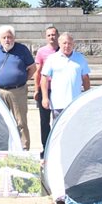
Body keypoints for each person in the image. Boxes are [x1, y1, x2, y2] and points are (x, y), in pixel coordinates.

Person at [0, 25, 36, 150]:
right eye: (4, 37)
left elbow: (32, 68)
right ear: (0, 39)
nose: (7, 40)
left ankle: (24, 148)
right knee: (1, 121)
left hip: (18, 91)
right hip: (0, 91)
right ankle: (2, 147)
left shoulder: (22, 49)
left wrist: (21, 79)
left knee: (21, 122)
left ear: (14, 37)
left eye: (9, 37)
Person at [40, 32, 91, 121]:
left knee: (76, 128)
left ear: (73, 44)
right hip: (58, 103)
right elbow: (44, 78)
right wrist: (45, 97)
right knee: (59, 131)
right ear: (59, 43)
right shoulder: (52, 58)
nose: (67, 46)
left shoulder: (80, 58)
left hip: (76, 102)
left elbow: (85, 78)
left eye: (69, 43)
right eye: (64, 43)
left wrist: (88, 96)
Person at [34, 25, 59, 158]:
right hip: (45, 90)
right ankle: (46, 147)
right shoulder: (42, 52)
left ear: (58, 36)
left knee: (59, 120)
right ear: (45, 37)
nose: (51, 37)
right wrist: (36, 89)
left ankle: (58, 146)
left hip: (60, 91)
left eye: (54, 34)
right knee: (44, 121)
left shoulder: (64, 50)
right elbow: (37, 72)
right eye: (49, 35)